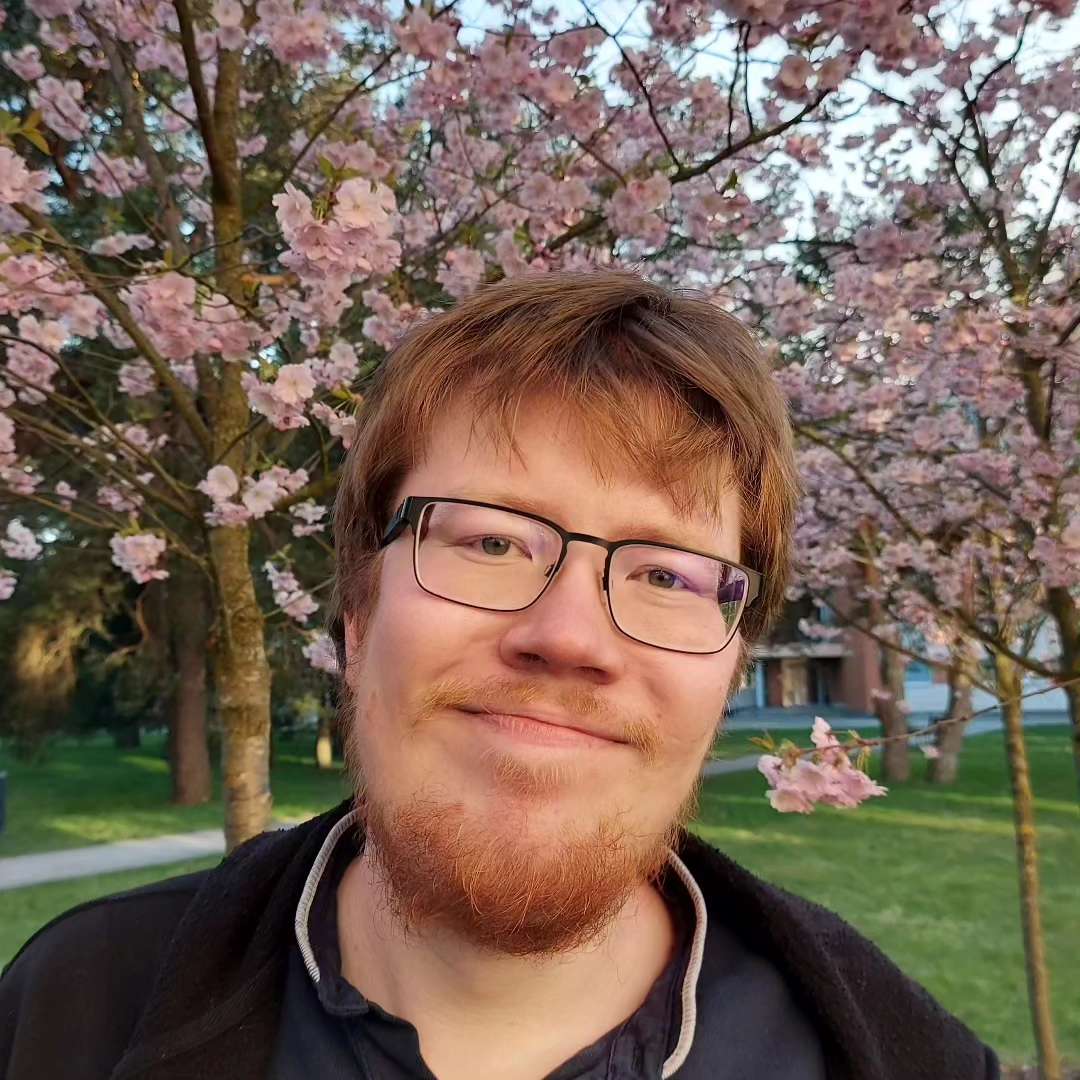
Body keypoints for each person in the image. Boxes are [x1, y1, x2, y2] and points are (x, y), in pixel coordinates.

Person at [0, 269, 998, 1079]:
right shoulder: (67, 1015)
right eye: (488, 542)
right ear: (358, 617)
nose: (569, 636)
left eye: (665, 574)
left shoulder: (908, 1060)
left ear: (732, 664)